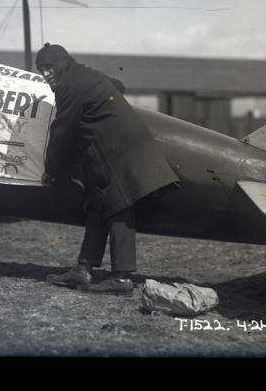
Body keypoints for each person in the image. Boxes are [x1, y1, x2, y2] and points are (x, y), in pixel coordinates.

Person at [36, 43, 179, 293]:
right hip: (122, 146)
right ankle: (83, 269)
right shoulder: (87, 74)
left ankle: (122, 278)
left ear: (61, 64)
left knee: (118, 206)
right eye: (41, 70)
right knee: (97, 204)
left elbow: (61, 131)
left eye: (49, 67)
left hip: (118, 151)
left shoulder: (68, 86)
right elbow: (118, 85)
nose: (46, 74)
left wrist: (51, 169)